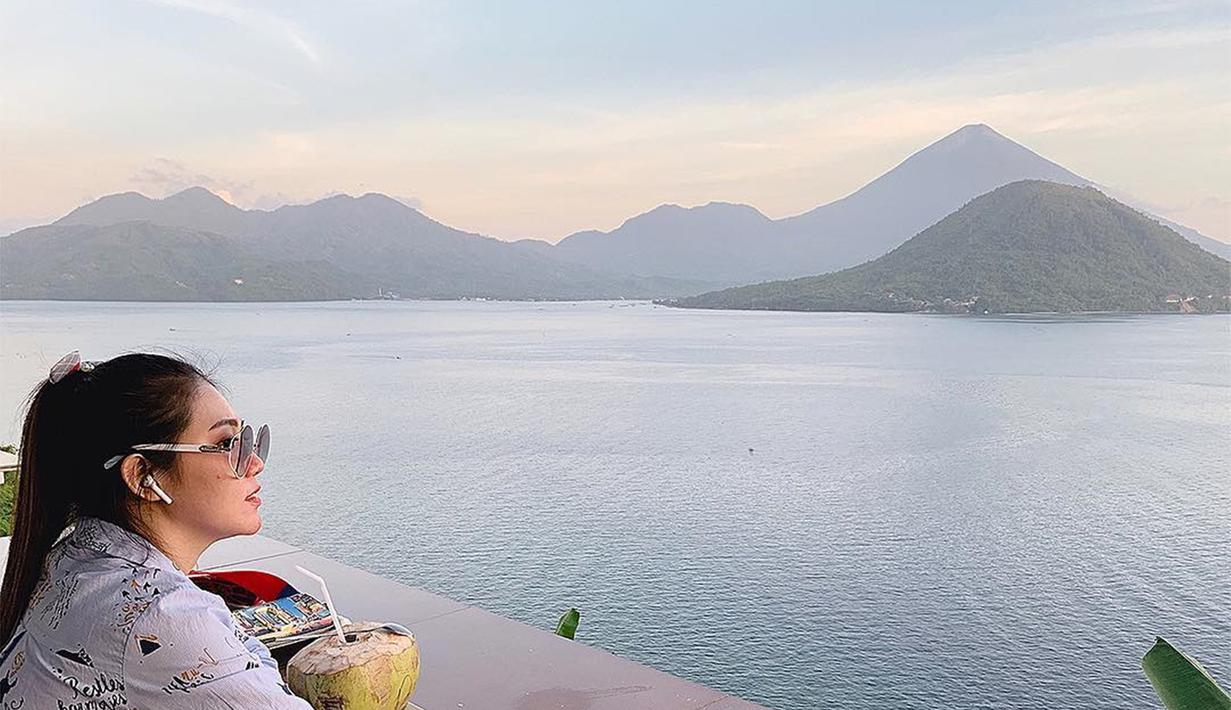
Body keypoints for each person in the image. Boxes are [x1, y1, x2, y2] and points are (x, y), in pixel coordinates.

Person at [0, 351, 312, 708]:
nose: (254, 463)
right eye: (227, 444)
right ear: (143, 477)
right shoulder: (161, 615)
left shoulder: (74, 556)